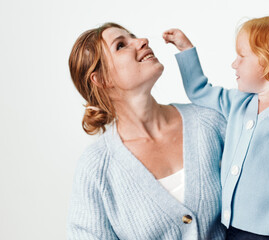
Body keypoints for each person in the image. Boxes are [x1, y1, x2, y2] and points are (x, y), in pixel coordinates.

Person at [163, 13, 269, 240]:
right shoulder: (239, 103)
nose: (234, 63)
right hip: (227, 228)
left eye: (242, 56)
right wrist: (186, 50)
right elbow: (199, 91)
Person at [67, 22, 227, 240]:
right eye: (121, 45)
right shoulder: (96, 169)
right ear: (102, 79)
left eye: (133, 36)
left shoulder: (210, 123)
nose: (142, 41)